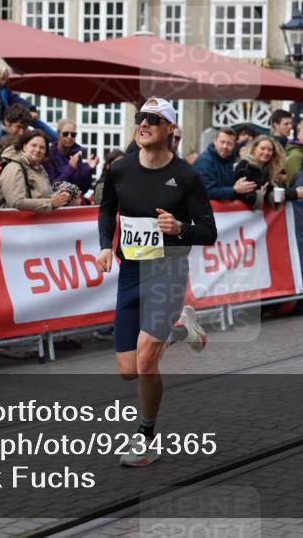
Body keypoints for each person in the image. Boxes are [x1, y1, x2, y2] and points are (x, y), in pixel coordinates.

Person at [96, 97, 217, 467]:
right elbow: (106, 208)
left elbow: (209, 232)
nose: (143, 123)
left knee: (147, 363)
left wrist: (180, 227)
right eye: (140, 118)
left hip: (169, 270)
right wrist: (105, 246)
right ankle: (183, 328)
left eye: (153, 119)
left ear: (169, 129)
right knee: (128, 371)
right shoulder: (120, 169)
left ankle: (146, 437)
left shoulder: (186, 176)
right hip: (132, 270)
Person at [0, 57, 56, 153]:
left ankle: (55, 137)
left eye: (5, 79)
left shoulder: (4, 90)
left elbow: (17, 99)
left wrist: (30, 108)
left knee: (14, 125)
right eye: (2, 79)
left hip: (1, 120)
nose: (5, 82)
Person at [0, 130, 71, 212]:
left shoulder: (40, 169)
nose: (38, 150)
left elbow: (43, 197)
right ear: (24, 147)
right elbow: (16, 202)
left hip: (34, 223)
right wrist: (50, 203)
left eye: (42, 147)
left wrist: (60, 198)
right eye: (33, 145)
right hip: (12, 223)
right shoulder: (14, 167)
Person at [234, 135, 303, 208]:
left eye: (269, 150)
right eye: (262, 148)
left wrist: (296, 192)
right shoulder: (244, 165)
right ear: (255, 149)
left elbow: (273, 191)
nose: (266, 152)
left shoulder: (267, 169)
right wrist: (259, 195)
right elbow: (243, 194)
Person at [193, 127, 256, 202]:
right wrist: (234, 190)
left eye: (229, 144)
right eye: (222, 142)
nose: (225, 146)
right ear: (215, 141)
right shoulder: (204, 161)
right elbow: (206, 192)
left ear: (234, 145)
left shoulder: (233, 161)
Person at [45, 119, 98, 195]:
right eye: (65, 134)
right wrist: (71, 168)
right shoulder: (49, 156)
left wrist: (88, 168)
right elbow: (52, 187)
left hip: (75, 200)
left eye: (73, 134)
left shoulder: (76, 155)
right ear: (58, 134)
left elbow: (83, 188)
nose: (69, 137)